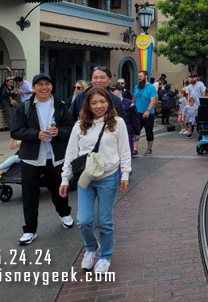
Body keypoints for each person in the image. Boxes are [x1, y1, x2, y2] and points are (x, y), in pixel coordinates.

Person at [60, 87, 131, 274]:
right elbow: (70, 154)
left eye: (102, 101)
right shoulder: (80, 125)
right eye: (94, 103)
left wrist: (125, 174)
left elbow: (124, 151)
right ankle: (91, 248)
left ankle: (105, 256)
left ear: (108, 102)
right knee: (83, 220)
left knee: (105, 221)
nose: (99, 106)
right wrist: (65, 179)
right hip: (86, 177)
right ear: (88, 105)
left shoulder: (118, 123)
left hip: (108, 177)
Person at [10, 73, 75, 245]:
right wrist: (35, 134)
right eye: (40, 85)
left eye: (47, 84)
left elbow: (71, 127)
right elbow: (15, 131)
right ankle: (30, 230)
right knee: (30, 195)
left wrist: (59, 132)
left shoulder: (60, 105)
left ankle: (64, 213)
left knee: (58, 190)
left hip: (55, 158)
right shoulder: (25, 107)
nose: (44, 87)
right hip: (31, 159)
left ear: (51, 87)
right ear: (33, 88)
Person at [133, 70, 157, 156]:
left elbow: (153, 100)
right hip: (137, 113)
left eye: (140, 76)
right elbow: (134, 98)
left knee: (148, 131)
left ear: (146, 76)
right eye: (138, 76)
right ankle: (135, 149)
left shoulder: (151, 87)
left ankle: (149, 148)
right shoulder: (136, 87)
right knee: (136, 131)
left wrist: (148, 110)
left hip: (148, 113)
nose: (139, 78)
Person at [111, 87, 140, 157]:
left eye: (114, 90)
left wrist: (137, 132)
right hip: (113, 132)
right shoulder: (109, 103)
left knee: (126, 155)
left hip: (127, 131)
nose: (111, 92)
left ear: (120, 91)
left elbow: (134, 118)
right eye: (110, 90)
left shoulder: (129, 103)